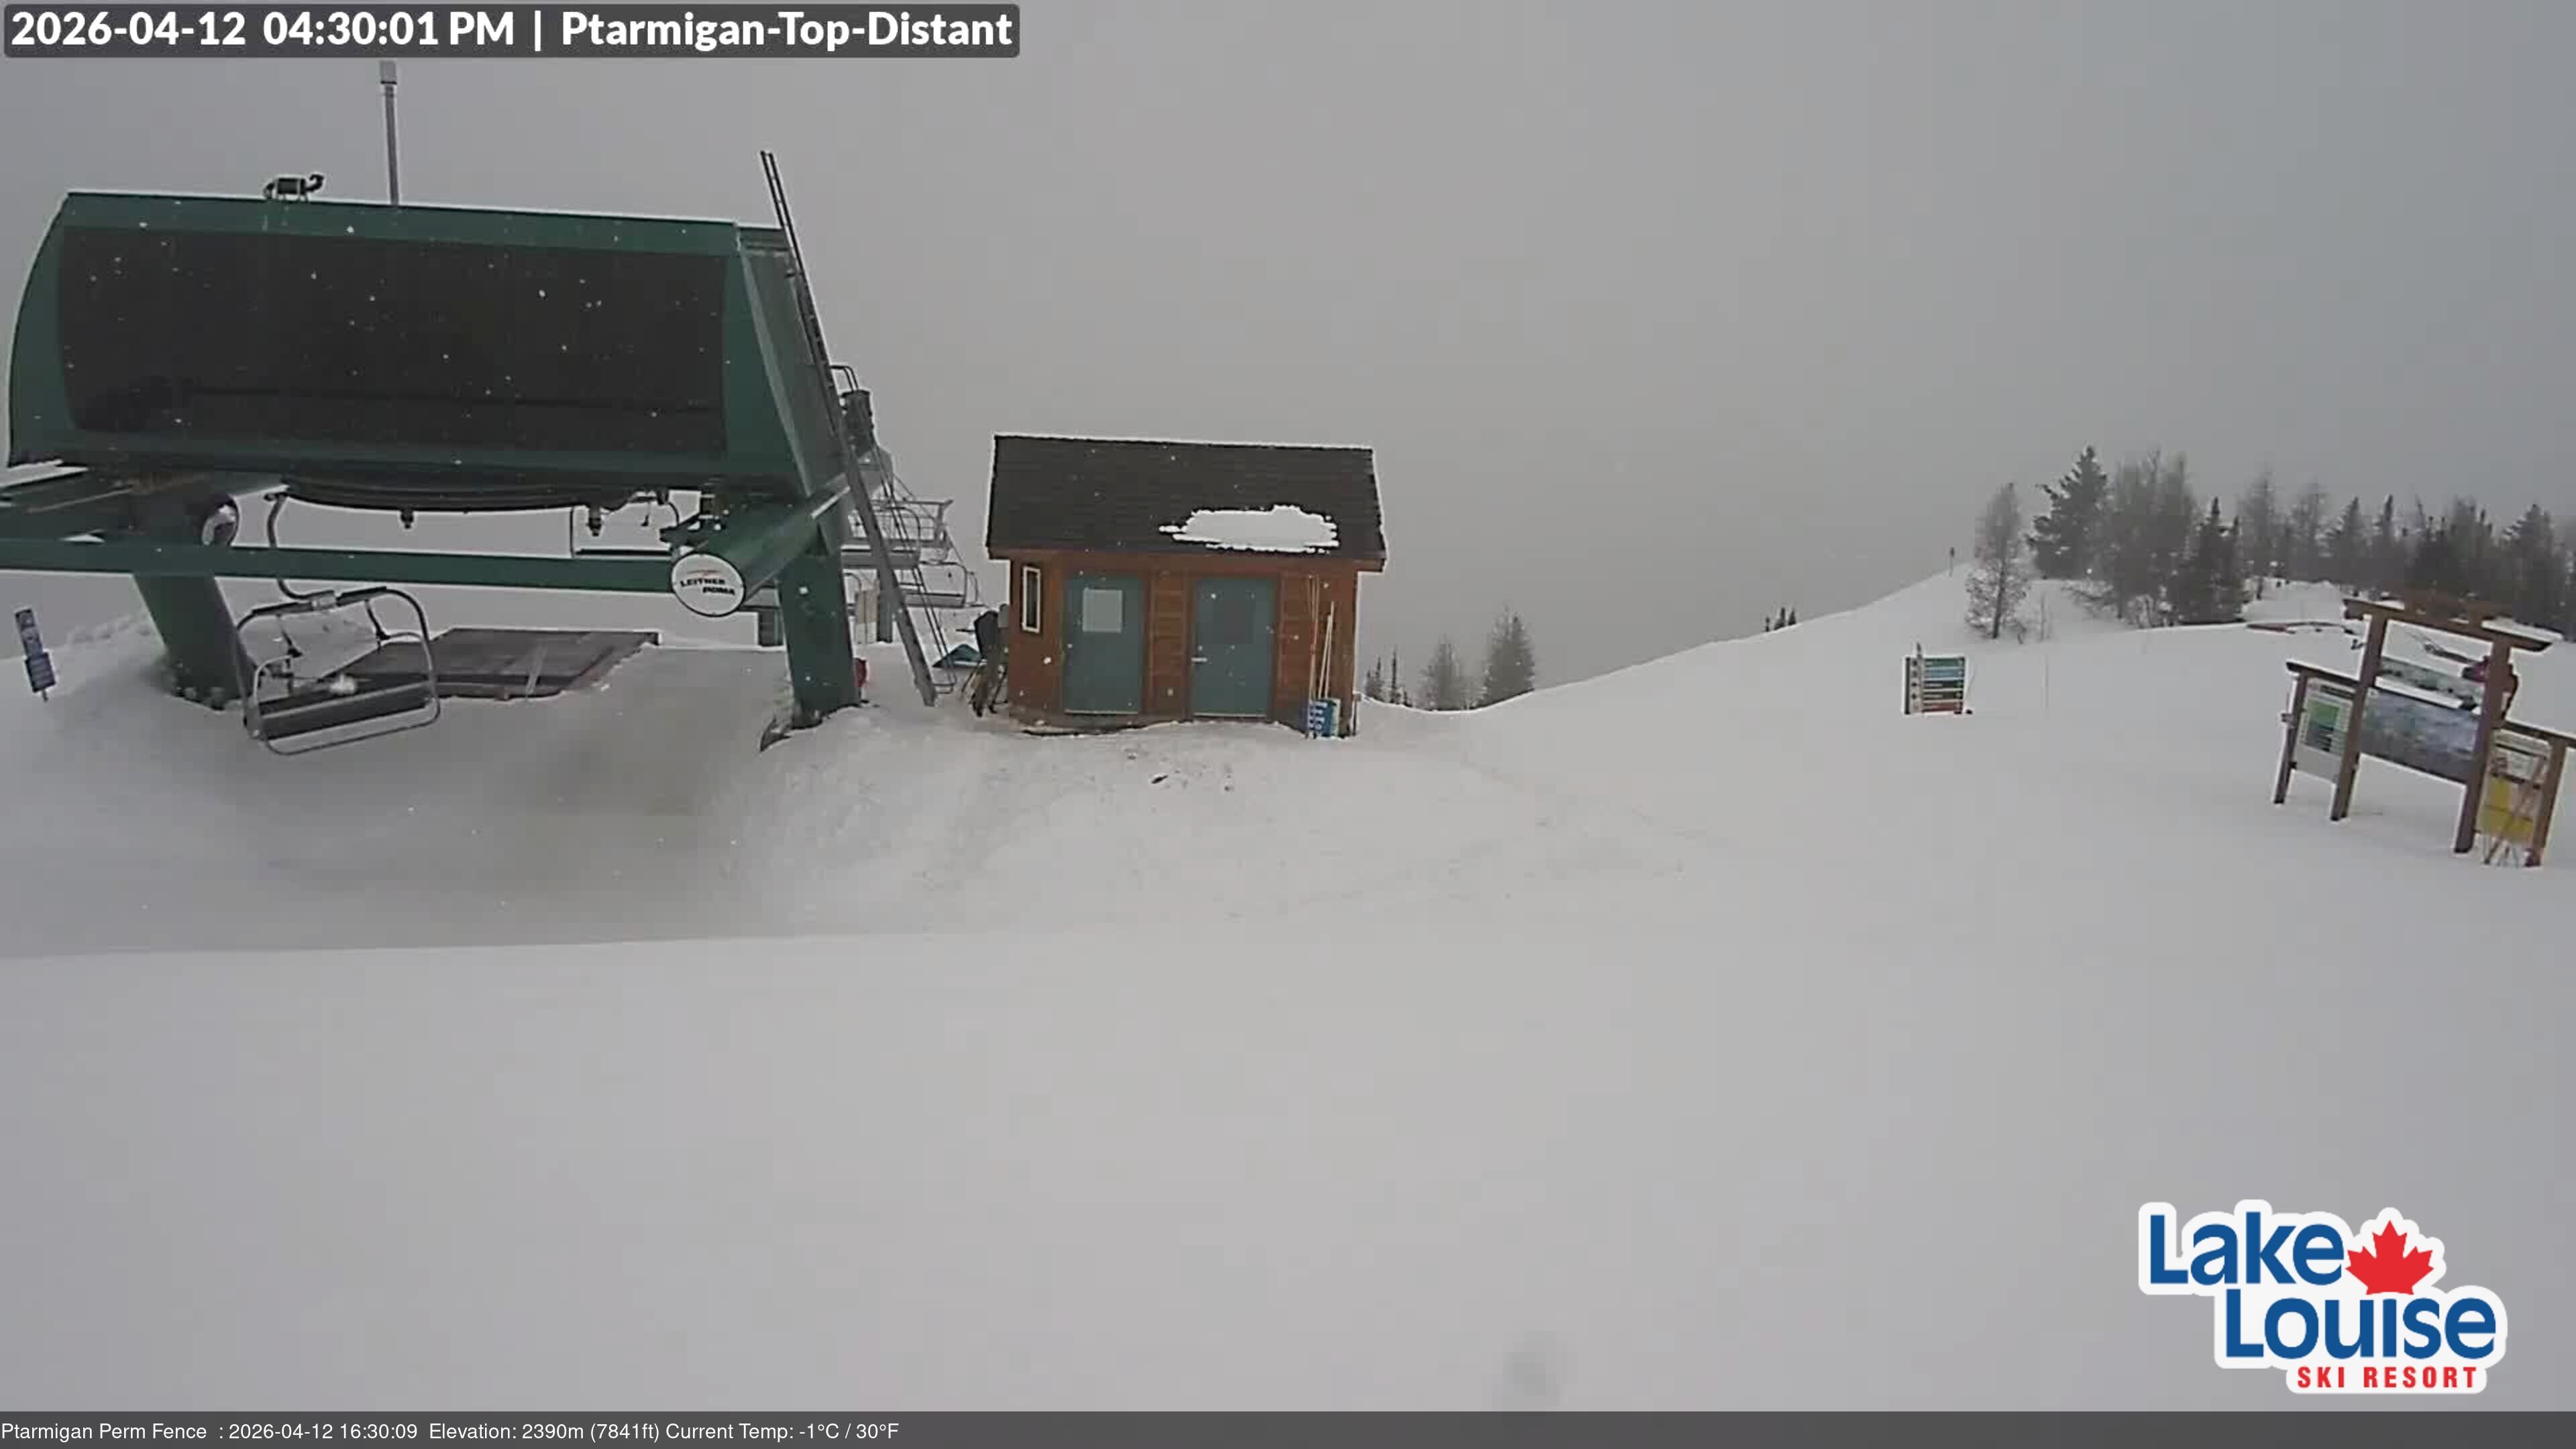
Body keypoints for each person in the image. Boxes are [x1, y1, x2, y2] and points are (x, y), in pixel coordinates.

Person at [969, 608, 1005, 716]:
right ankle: (980, 702)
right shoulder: (997, 626)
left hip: (990, 652)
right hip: (995, 653)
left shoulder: (988, 622)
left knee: (991, 678)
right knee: (992, 679)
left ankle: (981, 700)